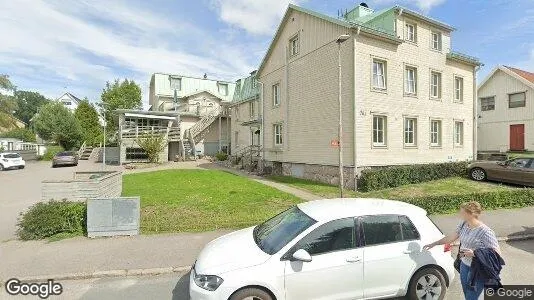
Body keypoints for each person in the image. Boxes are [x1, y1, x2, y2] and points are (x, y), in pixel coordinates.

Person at [423, 201, 500, 300]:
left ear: (470, 214)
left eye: (462, 212)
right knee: (467, 294)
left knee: (471, 297)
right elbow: (451, 237)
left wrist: (474, 253)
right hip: (464, 265)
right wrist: (434, 243)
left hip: (478, 270)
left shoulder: (485, 232)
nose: (460, 214)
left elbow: (497, 253)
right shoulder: (464, 224)